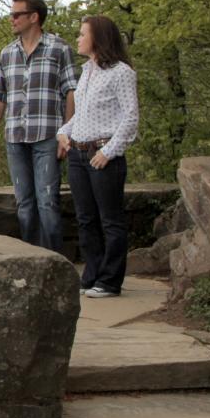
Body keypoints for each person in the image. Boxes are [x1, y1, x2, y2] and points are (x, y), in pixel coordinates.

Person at [0, 0, 77, 253]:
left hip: (48, 135)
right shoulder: (7, 54)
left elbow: (71, 91)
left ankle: (55, 263)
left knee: (47, 201)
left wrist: (66, 133)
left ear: (34, 17)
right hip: (15, 137)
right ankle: (32, 262)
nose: (11, 20)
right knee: (24, 203)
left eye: (17, 15)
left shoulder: (59, 49)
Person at [57, 15, 139, 298]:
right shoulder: (87, 71)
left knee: (110, 220)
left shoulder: (121, 72)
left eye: (82, 34)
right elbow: (84, 114)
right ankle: (91, 276)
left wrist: (108, 152)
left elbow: (130, 118)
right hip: (78, 153)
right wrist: (64, 131)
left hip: (102, 153)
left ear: (98, 38)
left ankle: (110, 280)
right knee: (85, 219)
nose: (78, 38)